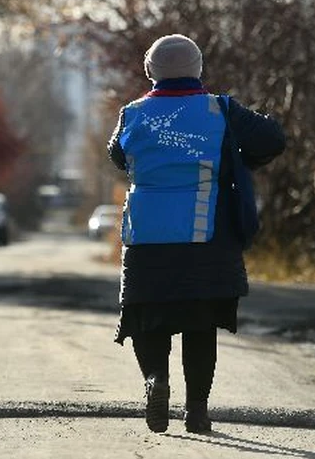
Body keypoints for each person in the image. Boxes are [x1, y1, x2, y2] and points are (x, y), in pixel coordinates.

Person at [107, 33, 285, 434]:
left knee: (147, 317)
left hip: (147, 239)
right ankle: (198, 411)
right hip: (207, 239)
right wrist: (239, 157)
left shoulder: (132, 114)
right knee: (199, 324)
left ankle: (156, 380)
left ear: (150, 70)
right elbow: (273, 138)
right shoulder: (220, 110)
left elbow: (117, 155)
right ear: (199, 68)